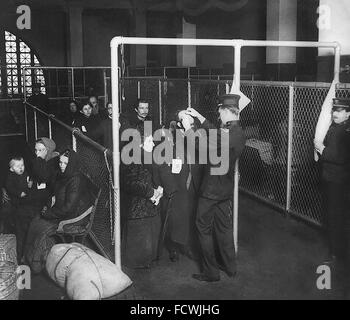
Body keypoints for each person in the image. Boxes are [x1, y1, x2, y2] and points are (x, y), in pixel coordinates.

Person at [185, 94, 246, 282]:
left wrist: (188, 127)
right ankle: (230, 266)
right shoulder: (238, 132)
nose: (218, 115)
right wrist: (199, 116)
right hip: (225, 189)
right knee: (224, 228)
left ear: (227, 111)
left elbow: (199, 144)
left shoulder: (225, 135)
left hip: (211, 190)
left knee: (202, 227)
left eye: (220, 111)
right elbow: (215, 133)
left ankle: (211, 272)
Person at [24, 149, 91, 273]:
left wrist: (48, 213)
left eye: (65, 163)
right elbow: (55, 194)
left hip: (70, 216)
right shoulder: (64, 175)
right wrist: (48, 205)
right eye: (60, 162)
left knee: (41, 227)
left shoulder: (75, 180)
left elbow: (69, 208)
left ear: (71, 164)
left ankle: (36, 264)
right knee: (35, 221)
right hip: (59, 210)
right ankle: (30, 257)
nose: (61, 166)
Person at [315, 98, 350, 294]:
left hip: (339, 180)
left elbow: (341, 157)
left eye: (341, 110)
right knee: (331, 215)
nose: (336, 113)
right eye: (335, 110)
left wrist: (322, 150)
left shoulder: (345, 133)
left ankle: (338, 253)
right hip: (330, 178)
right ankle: (336, 250)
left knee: (337, 216)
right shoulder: (336, 128)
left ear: (348, 114)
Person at [161, 110, 203, 262]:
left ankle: (186, 245)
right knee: (176, 217)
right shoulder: (170, 141)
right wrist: (170, 187)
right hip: (177, 187)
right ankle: (173, 247)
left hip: (192, 186)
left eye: (192, 125)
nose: (189, 128)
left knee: (191, 216)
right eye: (187, 125)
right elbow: (163, 167)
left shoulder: (195, 139)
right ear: (179, 125)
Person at [121, 134, 163, 269]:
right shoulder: (133, 159)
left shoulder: (148, 157)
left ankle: (147, 261)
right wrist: (151, 193)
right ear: (140, 145)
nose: (153, 144)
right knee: (138, 255)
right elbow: (130, 183)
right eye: (149, 141)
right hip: (137, 209)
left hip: (149, 207)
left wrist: (159, 189)